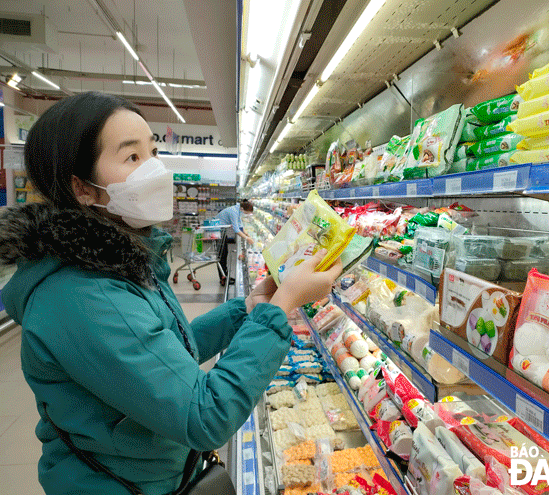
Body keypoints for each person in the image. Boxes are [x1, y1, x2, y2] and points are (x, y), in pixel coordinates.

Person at [0, 92, 341, 495]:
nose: (157, 171)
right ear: (82, 188)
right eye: (132, 158)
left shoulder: (119, 257)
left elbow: (164, 352)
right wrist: (280, 308)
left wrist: (247, 309)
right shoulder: (84, 294)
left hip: (149, 474)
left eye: (154, 152)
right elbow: (204, 416)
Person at [213, 200, 255, 285]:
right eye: (246, 213)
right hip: (217, 232)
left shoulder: (237, 209)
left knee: (225, 253)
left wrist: (246, 233)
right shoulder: (234, 212)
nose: (246, 215)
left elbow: (240, 225)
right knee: (222, 255)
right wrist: (247, 238)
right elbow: (236, 229)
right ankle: (223, 277)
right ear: (243, 209)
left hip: (222, 231)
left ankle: (225, 275)